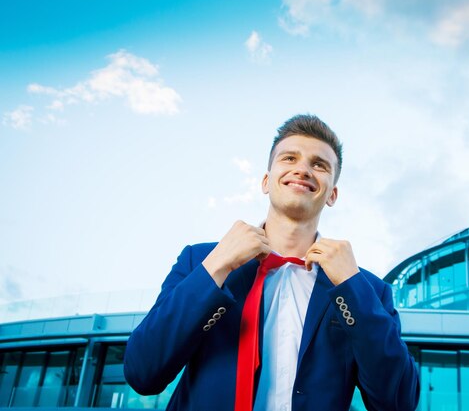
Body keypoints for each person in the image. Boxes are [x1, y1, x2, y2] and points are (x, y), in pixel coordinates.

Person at [124, 114, 420, 411]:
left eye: (319, 164)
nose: (303, 169)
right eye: (289, 158)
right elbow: (143, 372)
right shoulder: (200, 260)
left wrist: (353, 290)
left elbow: (398, 404)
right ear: (266, 182)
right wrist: (215, 268)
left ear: (332, 194)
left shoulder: (367, 289)